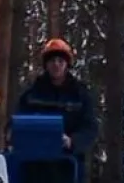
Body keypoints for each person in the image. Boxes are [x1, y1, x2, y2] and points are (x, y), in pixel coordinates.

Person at [13, 38, 99, 167]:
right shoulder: (32, 93)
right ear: (46, 64)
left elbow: (90, 128)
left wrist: (72, 141)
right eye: (52, 61)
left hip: (69, 163)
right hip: (35, 163)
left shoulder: (80, 94)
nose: (56, 64)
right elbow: (16, 122)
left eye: (60, 61)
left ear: (67, 64)